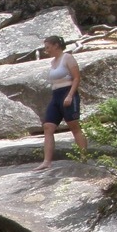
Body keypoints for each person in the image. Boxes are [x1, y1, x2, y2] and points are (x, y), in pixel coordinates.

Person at [35, 34, 88, 170]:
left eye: (48, 47)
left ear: (56, 45)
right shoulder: (53, 62)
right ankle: (47, 161)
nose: (46, 50)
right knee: (48, 127)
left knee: (74, 126)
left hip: (68, 92)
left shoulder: (67, 58)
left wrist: (70, 96)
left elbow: (76, 78)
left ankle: (84, 156)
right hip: (56, 95)